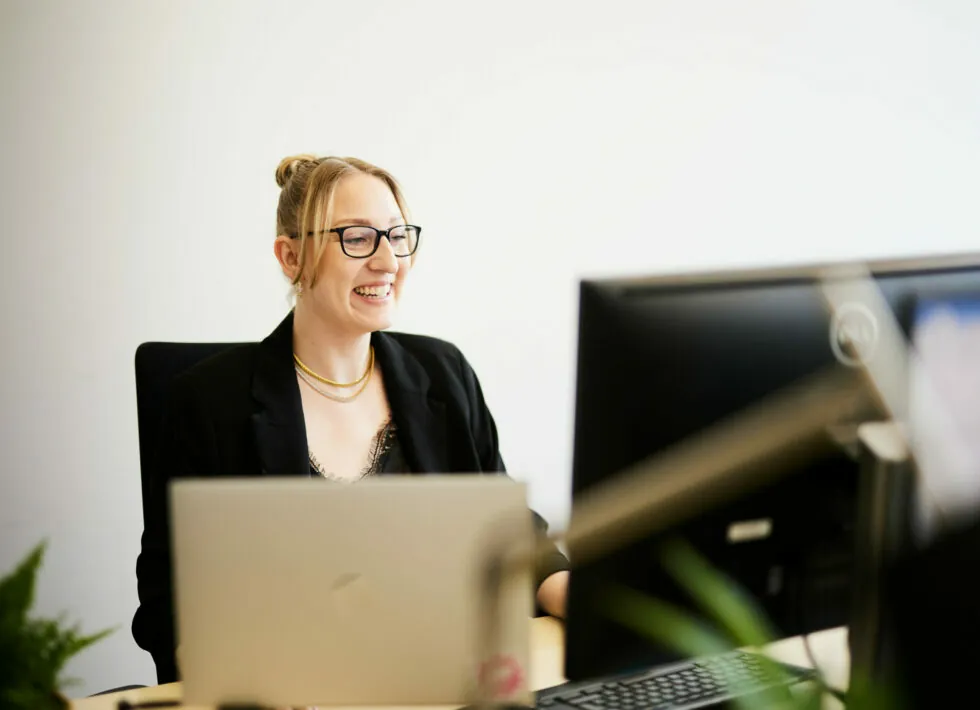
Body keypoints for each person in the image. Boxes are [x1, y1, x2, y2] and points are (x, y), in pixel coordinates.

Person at [132, 154, 570, 683]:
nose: (388, 262)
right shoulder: (206, 402)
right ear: (290, 257)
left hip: (443, 680)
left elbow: (510, 533)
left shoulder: (444, 372)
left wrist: (571, 590)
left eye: (398, 236)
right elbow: (167, 605)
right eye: (357, 238)